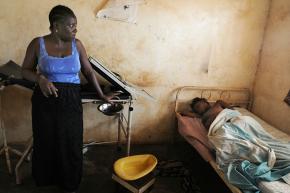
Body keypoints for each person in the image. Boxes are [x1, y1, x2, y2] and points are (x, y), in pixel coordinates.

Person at [21, 5, 112, 193]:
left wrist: (101, 94)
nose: (75, 29)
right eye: (71, 26)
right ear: (56, 26)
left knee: (70, 140)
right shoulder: (37, 44)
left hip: (71, 98)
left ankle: (69, 180)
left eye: (75, 26)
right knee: (46, 139)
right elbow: (24, 70)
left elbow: (87, 71)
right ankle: (46, 178)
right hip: (45, 99)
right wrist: (40, 79)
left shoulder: (77, 44)